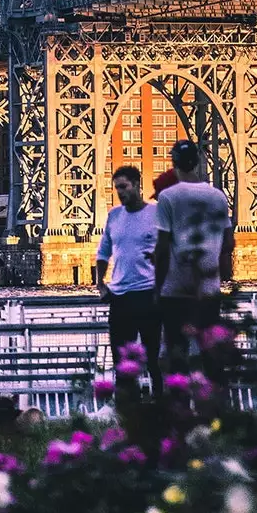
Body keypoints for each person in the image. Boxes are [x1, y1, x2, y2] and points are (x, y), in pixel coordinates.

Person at [153, 141, 233, 367]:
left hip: (175, 292)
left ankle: (178, 400)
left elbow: (162, 249)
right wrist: (222, 275)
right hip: (209, 292)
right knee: (209, 357)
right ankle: (211, 399)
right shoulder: (218, 197)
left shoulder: (167, 198)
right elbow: (228, 242)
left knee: (176, 358)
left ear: (174, 162)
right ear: (198, 163)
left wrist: (157, 289)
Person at [96, 165, 163, 394]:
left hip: (148, 294)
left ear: (137, 184)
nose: (120, 192)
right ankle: (127, 409)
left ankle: (161, 403)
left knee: (154, 357)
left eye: (123, 187)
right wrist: (100, 284)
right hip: (120, 297)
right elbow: (103, 252)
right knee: (122, 360)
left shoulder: (155, 214)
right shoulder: (114, 215)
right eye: (117, 188)